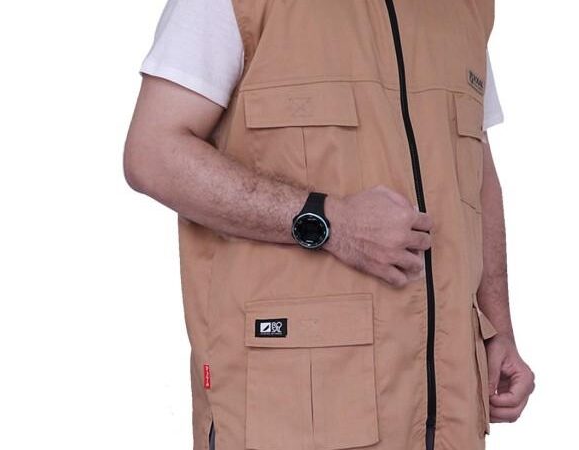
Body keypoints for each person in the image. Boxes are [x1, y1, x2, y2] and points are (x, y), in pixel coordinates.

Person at [124, 0, 535, 449]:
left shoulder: (464, 9)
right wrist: (329, 221)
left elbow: (477, 174)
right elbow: (153, 154)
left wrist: (498, 330)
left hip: (451, 416)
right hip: (296, 410)